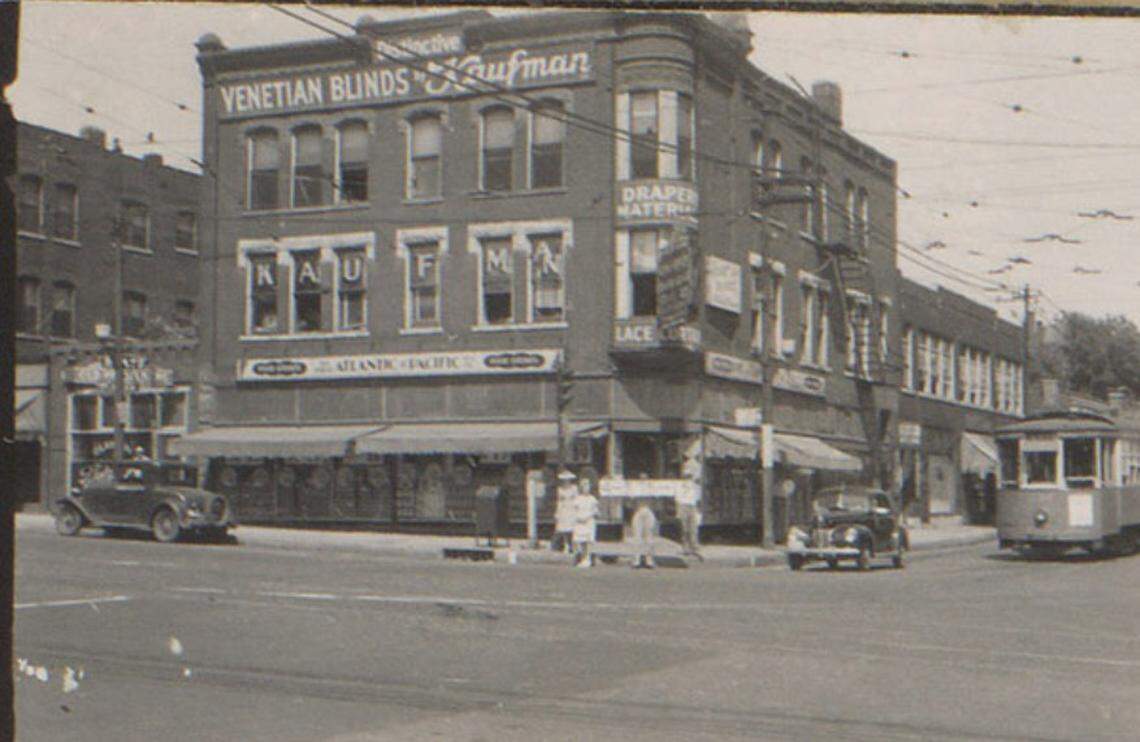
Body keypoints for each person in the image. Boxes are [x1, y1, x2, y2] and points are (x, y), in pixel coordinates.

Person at [571, 480, 600, 568]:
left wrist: (588, 516)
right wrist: (578, 518)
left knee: (588, 541)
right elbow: (574, 510)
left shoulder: (592, 499)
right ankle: (581, 558)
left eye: (588, 486)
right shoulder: (578, 499)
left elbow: (596, 511)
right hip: (579, 521)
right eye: (584, 486)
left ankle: (588, 559)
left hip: (589, 522)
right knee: (580, 541)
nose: (586, 488)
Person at [552, 469, 578, 555]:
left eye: (567, 479)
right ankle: (566, 545)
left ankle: (573, 546)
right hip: (564, 509)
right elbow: (559, 501)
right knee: (564, 529)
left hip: (572, 509)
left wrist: (577, 509)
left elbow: (577, 499)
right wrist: (557, 512)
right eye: (564, 480)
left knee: (573, 529)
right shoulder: (560, 489)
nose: (566, 481)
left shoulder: (574, 488)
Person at [629, 498, 659, 569]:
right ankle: (636, 560)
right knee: (637, 537)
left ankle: (649, 560)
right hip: (638, 511)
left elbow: (656, 501)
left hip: (649, 511)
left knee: (649, 538)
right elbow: (631, 501)